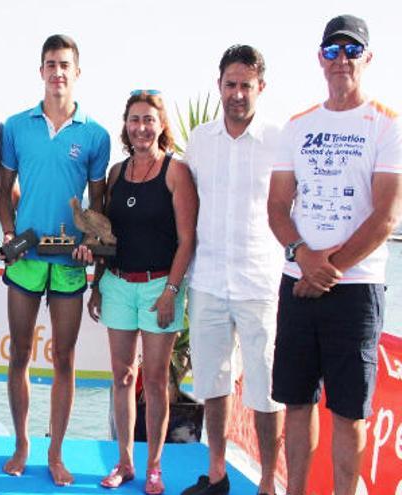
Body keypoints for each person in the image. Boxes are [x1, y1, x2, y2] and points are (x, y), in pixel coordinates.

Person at [267, 15, 401, 495]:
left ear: (367, 58)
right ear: (320, 58)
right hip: (298, 280)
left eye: (351, 50)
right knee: (297, 403)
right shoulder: (298, 126)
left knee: (350, 411)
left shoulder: (388, 125)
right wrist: (304, 258)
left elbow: (385, 216)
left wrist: (328, 269)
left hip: (356, 288)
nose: (341, 59)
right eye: (331, 51)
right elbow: (278, 206)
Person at [0, 34, 110, 486]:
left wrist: (91, 244)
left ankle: (56, 451)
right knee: (20, 354)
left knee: (64, 357)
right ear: (41, 71)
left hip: (68, 264)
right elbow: (3, 193)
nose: (57, 72)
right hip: (25, 258)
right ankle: (22, 443)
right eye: (50, 64)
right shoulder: (16, 126)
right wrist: (8, 232)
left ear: (77, 73)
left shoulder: (95, 135)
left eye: (65, 65)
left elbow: (98, 209)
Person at [180, 45, 284, 495]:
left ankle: (266, 484)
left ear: (260, 87)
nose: (237, 93)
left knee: (266, 390)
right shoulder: (199, 142)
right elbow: (186, 210)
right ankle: (218, 474)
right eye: (230, 84)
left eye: (245, 85)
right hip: (208, 281)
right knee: (214, 384)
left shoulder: (281, 142)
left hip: (261, 284)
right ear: (218, 85)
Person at [86, 91, 197, 494]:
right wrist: (97, 285)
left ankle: (154, 466)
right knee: (121, 377)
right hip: (116, 284)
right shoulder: (116, 174)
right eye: (134, 120)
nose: (141, 128)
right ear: (126, 125)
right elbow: (103, 235)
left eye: (149, 120)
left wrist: (171, 291)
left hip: (159, 286)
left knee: (153, 380)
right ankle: (125, 462)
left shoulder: (175, 172)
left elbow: (187, 240)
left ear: (161, 125)